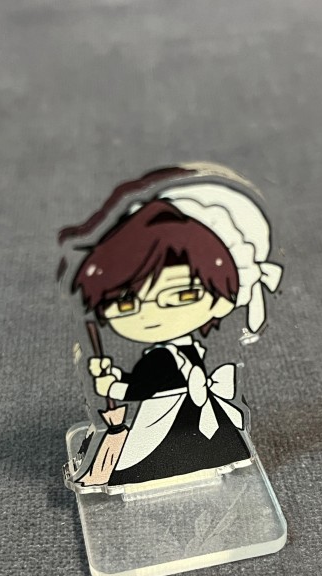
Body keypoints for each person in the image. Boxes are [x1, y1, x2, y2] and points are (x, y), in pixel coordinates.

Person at [61, 165, 283, 486]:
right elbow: (148, 383)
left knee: (140, 463)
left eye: (182, 295)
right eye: (127, 303)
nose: (152, 314)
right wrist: (116, 379)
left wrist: (110, 386)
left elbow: (140, 389)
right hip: (189, 419)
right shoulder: (183, 352)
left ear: (225, 298)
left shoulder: (163, 356)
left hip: (169, 425)